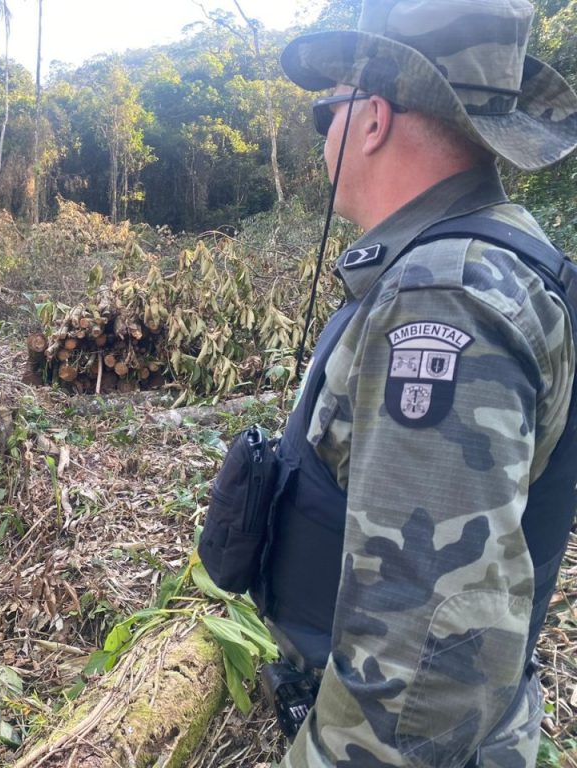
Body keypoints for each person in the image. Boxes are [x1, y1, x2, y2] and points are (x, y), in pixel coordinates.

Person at [237, 1, 577, 766]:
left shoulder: (440, 294)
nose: (322, 131)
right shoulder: (474, 261)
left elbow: (428, 654)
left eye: (326, 111)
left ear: (372, 121)